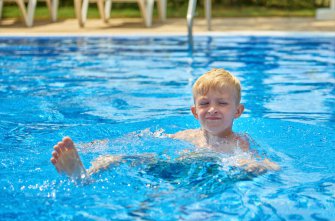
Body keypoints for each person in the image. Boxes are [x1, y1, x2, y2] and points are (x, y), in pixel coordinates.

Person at [51, 69, 278, 179]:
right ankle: (83, 177)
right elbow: (144, 139)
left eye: (222, 103)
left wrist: (259, 166)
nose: (212, 109)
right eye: (204, 103)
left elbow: (264, 163)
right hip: (174, 171)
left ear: (238, 111)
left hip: (211, 176)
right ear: (194, 111)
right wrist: (94, 146)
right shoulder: (188, 136)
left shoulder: (239, 142)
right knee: (114, 159)